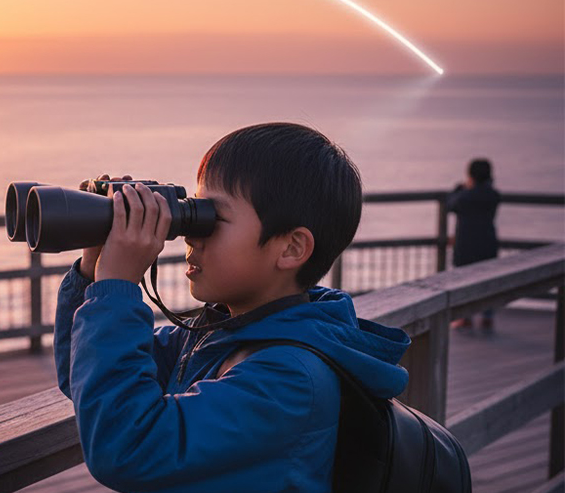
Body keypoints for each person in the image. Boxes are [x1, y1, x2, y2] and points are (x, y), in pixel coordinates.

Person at [53, 123, 411, 492]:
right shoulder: (218, 336)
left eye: (214, 218)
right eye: (195, 209)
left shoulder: (289, 381)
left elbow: (129, 448)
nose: (191, 235)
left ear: (291, 248)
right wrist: (93, 270)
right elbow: (83, 374)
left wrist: (117, 288)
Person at [448, 158, 501, 333]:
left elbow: (450, 204)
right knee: (488, 280)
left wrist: (458, 189)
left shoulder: (465, 196)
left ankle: (465, 317)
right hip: (487, 243)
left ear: (470, 175)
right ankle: (488, 316)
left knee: (463, 280)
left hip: (466, 245)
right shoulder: (493, 195)